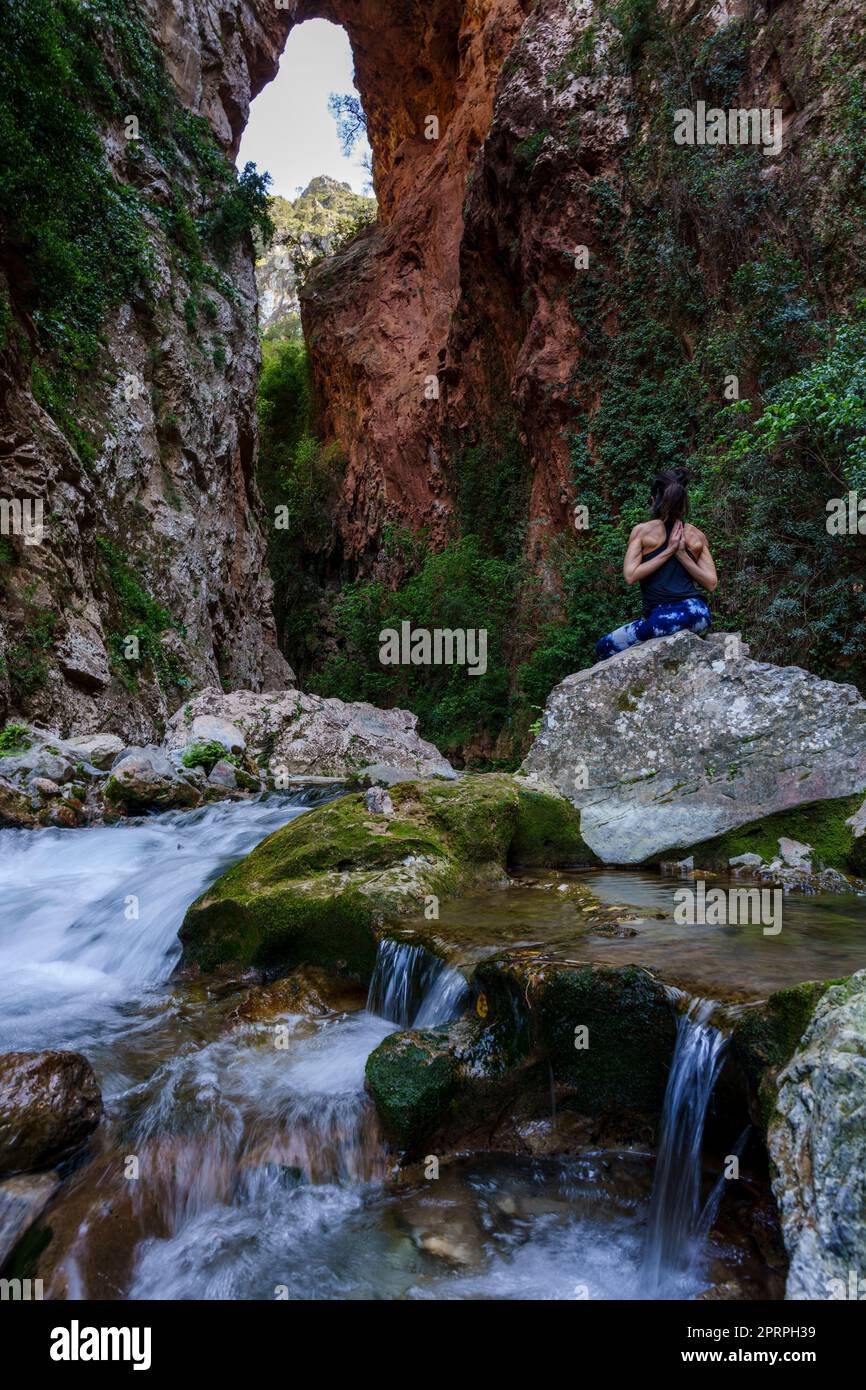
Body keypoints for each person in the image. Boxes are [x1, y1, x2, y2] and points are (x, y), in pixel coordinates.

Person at [595, 468, 718, 661]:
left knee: (603, 646)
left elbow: (630, 575)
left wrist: (673, 551)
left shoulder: (643, 532)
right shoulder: (696, 535)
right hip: (700, 615)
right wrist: (680, 554)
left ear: (653, 500)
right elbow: (711, 583)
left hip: (664, 619)